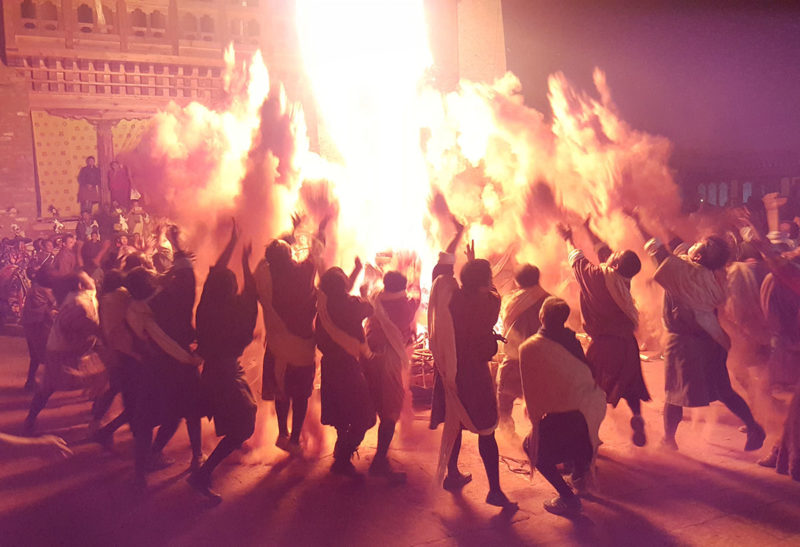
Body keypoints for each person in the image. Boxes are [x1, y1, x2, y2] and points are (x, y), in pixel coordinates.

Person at [632, 216, 766, 451]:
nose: (693, 244)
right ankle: (753, 427)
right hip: (710, 340)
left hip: (684, 343)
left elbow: (655, 248)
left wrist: (638, 222)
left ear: (698, 256)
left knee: (673, 393)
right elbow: (670, 248)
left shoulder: (682, 272)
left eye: (698, 244)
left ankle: (668, 441)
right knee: (723, 390)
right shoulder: (708, 275)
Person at [428, 248, 514, 508]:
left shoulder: (450, 297)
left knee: (455, 419)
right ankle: (495, 491)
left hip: (450, 372)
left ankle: (452, 473)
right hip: (474, 375)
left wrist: (470, 265)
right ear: (484, 283)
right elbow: (495, 294)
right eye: (488, 277)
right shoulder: (489, 304)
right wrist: (476, 267)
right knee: (486, 430)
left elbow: (440, 273)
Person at [557, 222, 649, 447]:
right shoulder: (620, 282)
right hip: (628, 344)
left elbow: (577, 260)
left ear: (615, 264)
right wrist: (588, 229)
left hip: (605, 346)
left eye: (614, 256)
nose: (610, 255)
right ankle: (637, 417)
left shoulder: (597, 276)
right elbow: (603, 253)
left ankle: (589, 435)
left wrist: (568, 237)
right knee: (629, 384)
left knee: (590, 390)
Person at [520, 297, 607, 517]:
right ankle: (579, 474)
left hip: (567, 410)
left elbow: (532, 391)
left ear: (541, 316)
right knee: (575, 438)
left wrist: (536, 421)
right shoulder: (573, 340)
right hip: (588, 406)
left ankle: (568, 498)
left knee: (533, 448)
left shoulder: (529, 347)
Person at [191, 221, 258, 502]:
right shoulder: (237, 311)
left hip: (214, 371)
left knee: (240, 417)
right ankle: (203, 474)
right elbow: (252, 292)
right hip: (225, 373)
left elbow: (217, 273)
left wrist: (233, 245)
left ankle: (226, 444)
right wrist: (244, 259)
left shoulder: (206, 306)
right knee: (244, 424)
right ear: (232, 289)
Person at [256, 214, 326, 456]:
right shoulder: (302, 274)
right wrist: (322, 225)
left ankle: (283, 432)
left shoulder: (264, 275)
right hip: (302, 350)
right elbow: (317, 251)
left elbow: (273, 254)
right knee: (300, 395)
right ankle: (294, 438)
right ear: (289, 256)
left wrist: (292, 232)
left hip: (276, 348)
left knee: (281, 390)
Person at [124, 266, 201, 489]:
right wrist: (191, 359)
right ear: (148, 285)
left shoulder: (134, 306)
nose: (155, 276)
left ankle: (143, 469)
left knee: (147, 421)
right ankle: (158, 459)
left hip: (148, 371)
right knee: (182, 412)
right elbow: (165, 343)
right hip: (166, 370)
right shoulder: (153, 306)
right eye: (151, 275)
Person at [315, 263, 376, 476]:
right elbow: (370, 308)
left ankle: (341, 449)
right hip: (348, 367)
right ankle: (343, 456)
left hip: (330, 366)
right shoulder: (351, 304)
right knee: (365, 414)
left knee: (341, 413)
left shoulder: (322, 306)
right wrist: (365, 293)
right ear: (343, 285)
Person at [24, 272, 102, 433]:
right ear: (81, 285)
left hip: (72, 350)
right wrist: (97, 332)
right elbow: (71, 326)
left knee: (100, 380)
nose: (92, 279)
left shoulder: (84, 297)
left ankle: (97, 414)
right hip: (63, 352)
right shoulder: (78, 303)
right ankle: (29, 421)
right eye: (88, 277)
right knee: (47, 388)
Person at [364, 270, 420, 479]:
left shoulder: (374, 299)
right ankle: (379, 461)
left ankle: (342, 456)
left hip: (368, 358)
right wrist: (415, 279)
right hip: (389, 363)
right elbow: (416, 298)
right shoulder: (406, 307)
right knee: (390, 411)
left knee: (375, 402)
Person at [496, 264, 549, 436]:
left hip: (515, 358)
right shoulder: (549, 300)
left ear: (517, 282)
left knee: (504, 399)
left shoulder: (511, 301)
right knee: (542, 403)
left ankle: (508, 433)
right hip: (541, 360)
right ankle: (542, 435)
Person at [21, 267, 57, 391]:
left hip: (31, 326)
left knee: (36, 357)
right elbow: (44, 312)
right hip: (38, 328)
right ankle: (46, 386)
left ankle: (30, 382)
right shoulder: (41, 291)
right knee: (47, 357)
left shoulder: (37, 289)